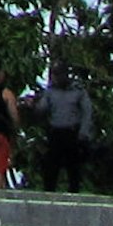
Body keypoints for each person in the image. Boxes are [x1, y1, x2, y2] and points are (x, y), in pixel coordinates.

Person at [38, 64, 96, 193]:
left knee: (73, 166)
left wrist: (84, 132)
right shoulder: (50, 92)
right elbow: (42, 108)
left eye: (59, 75)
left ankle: (74, 192)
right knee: (51, 166)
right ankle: (49, 193)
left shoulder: (78, 91)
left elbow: (87, 111)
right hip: (56, 132)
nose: (56, 78)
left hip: (72, 132)